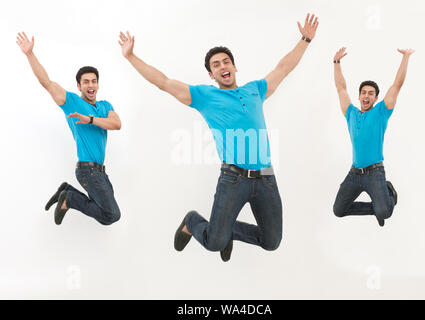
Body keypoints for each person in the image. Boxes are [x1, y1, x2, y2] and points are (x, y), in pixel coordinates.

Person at [119, 14, 319, 261]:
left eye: (226, 62)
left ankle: (228, 231)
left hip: (266, 178)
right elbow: (163, 82)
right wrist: (130, 57)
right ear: (212, 75)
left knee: (271, 242)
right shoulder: (205, 96)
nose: (223, 66)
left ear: (235, 67)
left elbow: (284, 68)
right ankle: (193, 222)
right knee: (214, 243)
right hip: (233, 179)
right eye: (216, 65)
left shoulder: (255, 89)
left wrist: (305, 39)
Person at [17, 32, 122, 226]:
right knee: (111, 215)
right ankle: (70, 199)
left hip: (99, 172)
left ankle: (68, 191)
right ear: (79, 85)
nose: (91, 85)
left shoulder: (105, 106)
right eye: (86, 82)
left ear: (98, 84)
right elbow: (46, 83)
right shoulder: (72, 102)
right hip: (87, 170)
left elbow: (116, 124)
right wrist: (30, 54)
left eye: (94, 81)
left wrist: (90, 119)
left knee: (108, 212)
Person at [332, 46, 414, 226]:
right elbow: (340, 88)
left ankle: (388, 195)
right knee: (339, 210)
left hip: (374, 172)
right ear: (359, 96)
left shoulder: (380, 112)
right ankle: (376, 207)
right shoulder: (351, 113)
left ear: (376, 98)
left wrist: (406, 57)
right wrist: (336, 62)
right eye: (363, 93)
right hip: (354, 174)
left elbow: (397, 85)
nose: (366, 96)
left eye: (371, 93)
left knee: (385, 212)